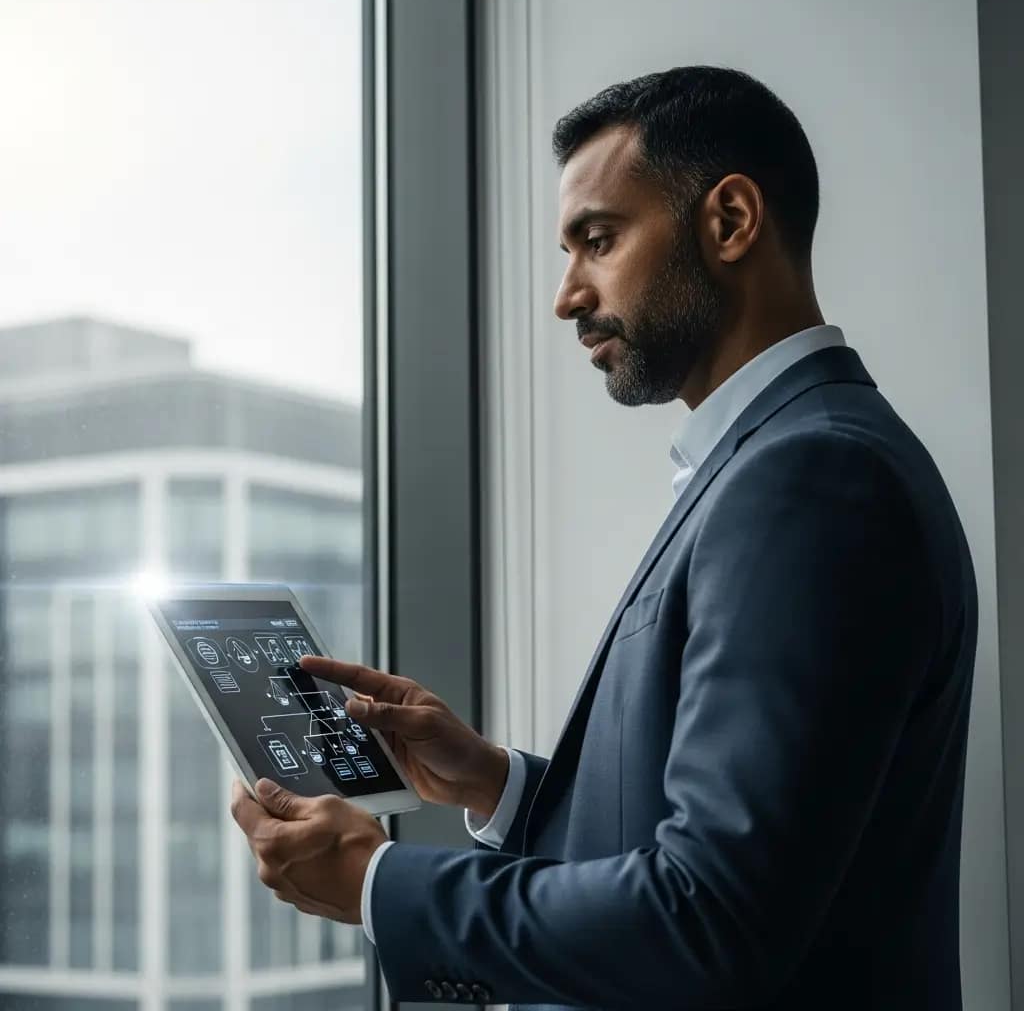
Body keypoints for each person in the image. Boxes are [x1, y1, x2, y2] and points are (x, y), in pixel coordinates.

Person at [231, 66, 977, 1009]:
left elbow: (708, 917)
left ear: (732, 221)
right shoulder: (788, 459)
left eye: (598, 239)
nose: (566, 296)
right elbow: (718, 848)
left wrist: (377, 885)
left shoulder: (812, 480)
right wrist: (496, 785)